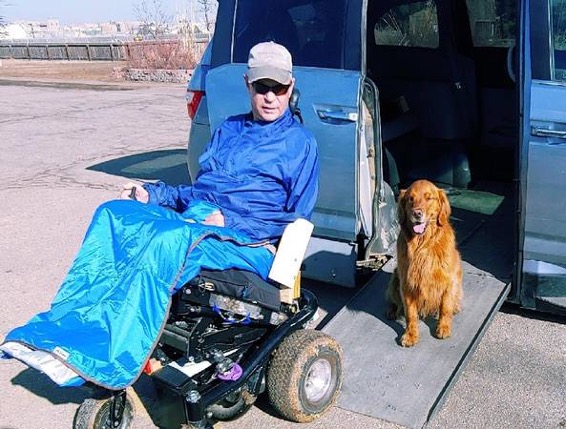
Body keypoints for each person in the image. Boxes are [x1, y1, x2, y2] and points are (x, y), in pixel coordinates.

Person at [1, 41, 319, 390]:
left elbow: (296, 219)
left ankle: (109, 358)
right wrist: (152, 193)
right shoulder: (230, 129)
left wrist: (231, 223)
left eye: (278, 88)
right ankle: (64, 331)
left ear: (291, 86)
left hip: (250, 240)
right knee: (115, 216)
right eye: (262, 87)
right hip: (201, 219)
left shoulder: (300, 144)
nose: (270, 96)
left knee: (165, 242)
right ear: (248, 85)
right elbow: (199, 192)